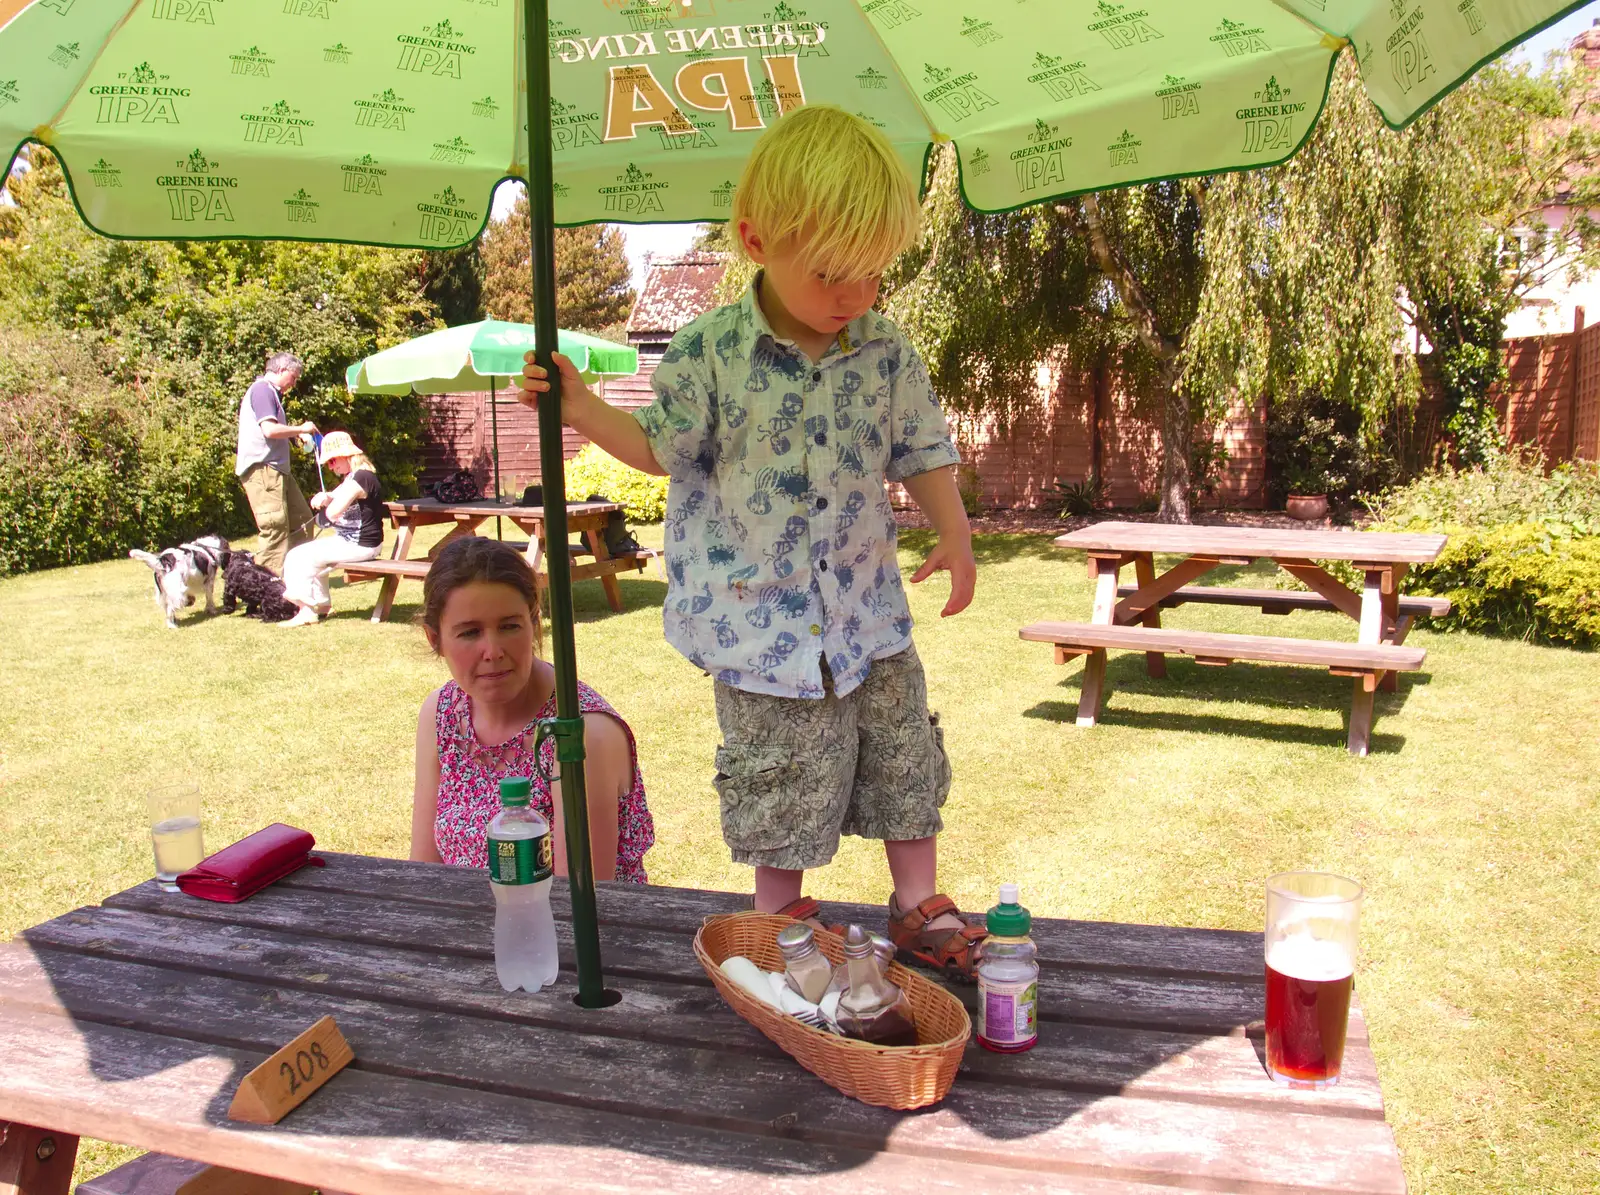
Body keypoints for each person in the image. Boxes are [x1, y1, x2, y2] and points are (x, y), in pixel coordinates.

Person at [517, 107, 984, 976]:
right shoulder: (709, 353)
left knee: (903, 754)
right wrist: (582, 410)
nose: (857, 295)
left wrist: (954, 531)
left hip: (867, 612)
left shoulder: (885, 351)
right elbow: (661, 449)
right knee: (780, 776)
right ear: (757, 239)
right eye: (835, 273)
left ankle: (918, 900)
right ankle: (782, 915)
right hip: (759, 629)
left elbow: (921, 450)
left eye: (875, 273)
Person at [411, 536, 653, 883]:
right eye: (470, 633)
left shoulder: (577, 731)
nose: (492, 650)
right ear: (435, 640)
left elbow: (577, 902)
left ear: (534, 622)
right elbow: (423, 872)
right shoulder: (442, 713)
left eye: (509, 626)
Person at [278, 431, 385, 628]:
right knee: (311, 558)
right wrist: (326, 497)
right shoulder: (354, 477)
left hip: (361, 544)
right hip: (354, 541)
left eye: (333, 460)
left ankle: (306, 610)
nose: (331, 466)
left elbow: (334, 513)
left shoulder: (361, 478)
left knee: (297, 556)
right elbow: (336, 496)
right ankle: (323, 606)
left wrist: (325, 508)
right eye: (328, 463)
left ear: (347, 455)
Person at [235, 351, 318, 576]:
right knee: (275, 527)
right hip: (263, 470)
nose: (294, 382)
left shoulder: (272, 393)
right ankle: (265, 586)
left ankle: (296, 576)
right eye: (293, 376)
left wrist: (294, 436)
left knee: (302, 520)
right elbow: (269, 430)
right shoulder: (262, 390)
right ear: (281, 370)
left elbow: (273, 430)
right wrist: (301, 428)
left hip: (278, 470)